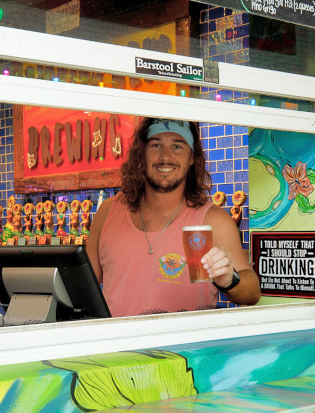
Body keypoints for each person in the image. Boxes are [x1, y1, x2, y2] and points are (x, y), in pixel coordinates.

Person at [87, 118, 260, 317]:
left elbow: (252, 291)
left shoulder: (211, 220)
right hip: (118, 347)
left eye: (177, 146)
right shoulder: (108, 212)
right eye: (156, 145)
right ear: (141, 154)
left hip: (183, 348)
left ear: (192, 157)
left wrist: (230, 279)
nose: (166, 156)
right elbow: (84, 287)